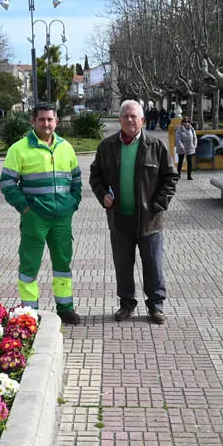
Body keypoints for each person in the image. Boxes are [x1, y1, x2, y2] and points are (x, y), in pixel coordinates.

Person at [89, 99, 178, 324]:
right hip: (120, 220)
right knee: (123, 266)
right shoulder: (107, 146)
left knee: (153, 266)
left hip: (150, 222)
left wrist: (158, 205)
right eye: (125, 116)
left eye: (134, 116)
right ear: (119, 120)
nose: (130, 120)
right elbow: (95, 175)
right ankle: (126, 304)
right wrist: (103, 196)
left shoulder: (155, 147)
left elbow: (170, 178)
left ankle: (156, 306)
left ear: (142, 120)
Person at [0, 102, 82, 325]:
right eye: (42, 119)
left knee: (63, 265)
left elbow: (76, 179)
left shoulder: (66, 147)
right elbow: (7, 183)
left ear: (56, 121)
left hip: (62, 218)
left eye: (50, 119)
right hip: (35, 217)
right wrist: (25, 208)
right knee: (29, 265)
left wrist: (73, 203)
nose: (46, 123)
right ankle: (30, 312)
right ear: (33, 121)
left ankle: (65, 308)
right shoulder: (19, 149)